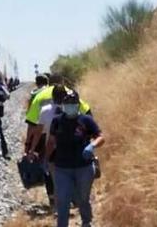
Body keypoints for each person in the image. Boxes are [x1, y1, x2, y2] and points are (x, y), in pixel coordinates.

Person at [45, 91, 104, 227]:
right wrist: (46, 160)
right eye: (67, 104)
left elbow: (100, 137)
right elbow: (51, 141)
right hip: (62, 168)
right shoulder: (57, 121)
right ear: (63, 105)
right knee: (63, 199)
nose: (69, 106)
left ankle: (86, 222)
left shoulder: (86, 120)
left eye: (72, 103)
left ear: (77, 105)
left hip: (84, 167)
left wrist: (92, 145)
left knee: (83, 198)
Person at [24, 84, 68, 207]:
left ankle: (54, 200)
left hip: (49, 146)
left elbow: (38, 132)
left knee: (50, 175)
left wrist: (31, 148)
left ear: (52, 96)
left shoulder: (45, 110)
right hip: (69, 147)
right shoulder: (72, 108)